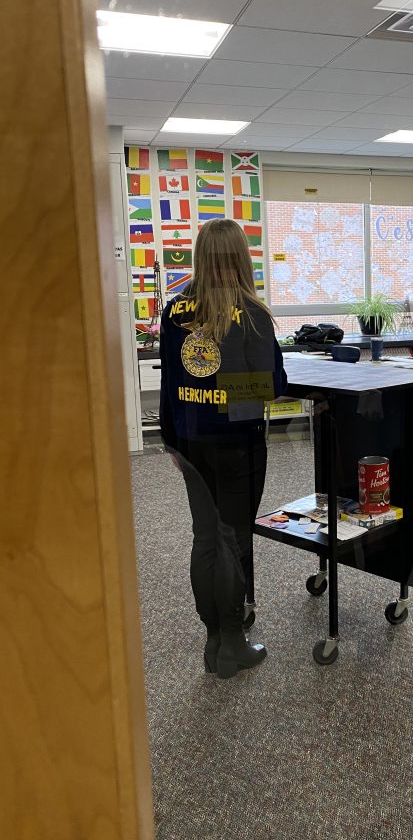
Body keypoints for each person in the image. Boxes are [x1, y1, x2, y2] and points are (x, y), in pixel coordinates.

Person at [159, 218, 286, 678]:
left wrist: (171, 442)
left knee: (205, 538)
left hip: (190, 441)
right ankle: (233, 642)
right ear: (239, 258)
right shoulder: (250, 314)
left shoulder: (175, 311)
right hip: (237, 442)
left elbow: (171, 380)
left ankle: (213, 640)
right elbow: (269, 387)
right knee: (232, 540)